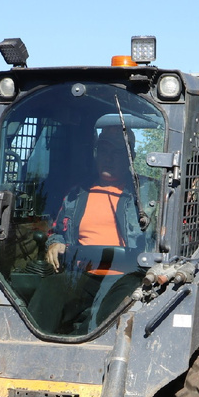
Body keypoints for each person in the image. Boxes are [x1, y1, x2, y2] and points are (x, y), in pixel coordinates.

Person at [29, 127, 150, 334]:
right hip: (82, 273)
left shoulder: (148, 194)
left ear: (131, 157)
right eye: (104, 150)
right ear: (96, 152)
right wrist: (55, 243)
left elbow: (161, 238)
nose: (109, 158)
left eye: (117, 152)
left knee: (110, 313)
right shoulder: (77, 193)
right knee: (51, 288)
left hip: (127, 275)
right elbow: (57, 231)